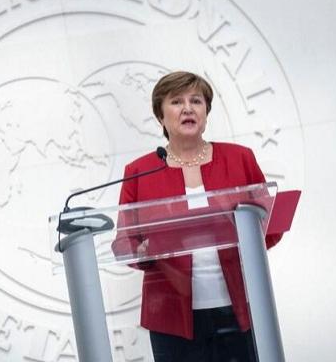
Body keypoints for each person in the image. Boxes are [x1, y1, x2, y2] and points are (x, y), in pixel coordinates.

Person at [112, 71, 283, 362]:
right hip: (171, 318)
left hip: (241, 308)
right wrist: (143, 252)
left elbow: (270, 224)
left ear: (206, 112)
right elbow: (124, 242)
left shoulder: (240, 158)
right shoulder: (139, 172)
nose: (188, 108)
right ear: (160, 116)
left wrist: (246, 242)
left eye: (196, 101)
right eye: (177, 102)